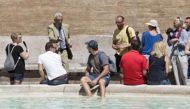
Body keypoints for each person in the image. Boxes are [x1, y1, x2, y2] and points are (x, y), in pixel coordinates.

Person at [170, 17, 189, 85]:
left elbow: (186, 43)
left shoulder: (184, 32)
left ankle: (187, 88)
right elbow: (170, 43)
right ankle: (178, 87)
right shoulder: (173, 32)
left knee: (184, 74)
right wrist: (171, 41)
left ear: (180, 23)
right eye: (174, 21)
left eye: (176, 21)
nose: (174, 22)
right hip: (174, 54)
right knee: (176, 74)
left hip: (182, 55)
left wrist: (178, 41)